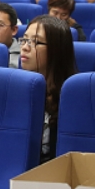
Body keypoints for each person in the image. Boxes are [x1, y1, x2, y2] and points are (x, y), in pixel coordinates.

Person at [20, 15, 76, 162]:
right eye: (24, 39)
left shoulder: (71, 98)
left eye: (36, 42)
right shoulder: (15, 88)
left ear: (56, 50)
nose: (25, 47)